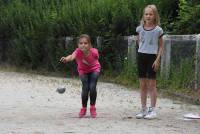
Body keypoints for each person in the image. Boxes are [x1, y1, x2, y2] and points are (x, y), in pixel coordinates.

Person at [60, 34, 101, 118]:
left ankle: (92, 107)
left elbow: (96, 58)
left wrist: (89, 53)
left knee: (92, 87)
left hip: (94, 69)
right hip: (83, 71)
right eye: (81, 43)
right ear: (78, 45)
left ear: (89, 45)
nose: (83, 45)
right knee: (85, 88)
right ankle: (84, 108)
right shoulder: (77, 51)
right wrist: (66, 59)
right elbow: (71, 57)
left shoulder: (94, 52)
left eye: (85, 43)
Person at [135, 5, 164, 119]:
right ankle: (143, 109)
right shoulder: (139, 29)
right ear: (144, 15)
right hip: (141, 57)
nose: (148, 16)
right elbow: (138, 42)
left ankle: (152, 110)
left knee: (152, 84)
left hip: (152, 58)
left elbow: (161, 46)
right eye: (146, 14)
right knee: (142, 84)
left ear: (154, 15)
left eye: (150, 14)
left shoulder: (158, 30)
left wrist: (157, 59)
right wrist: (141, 50)